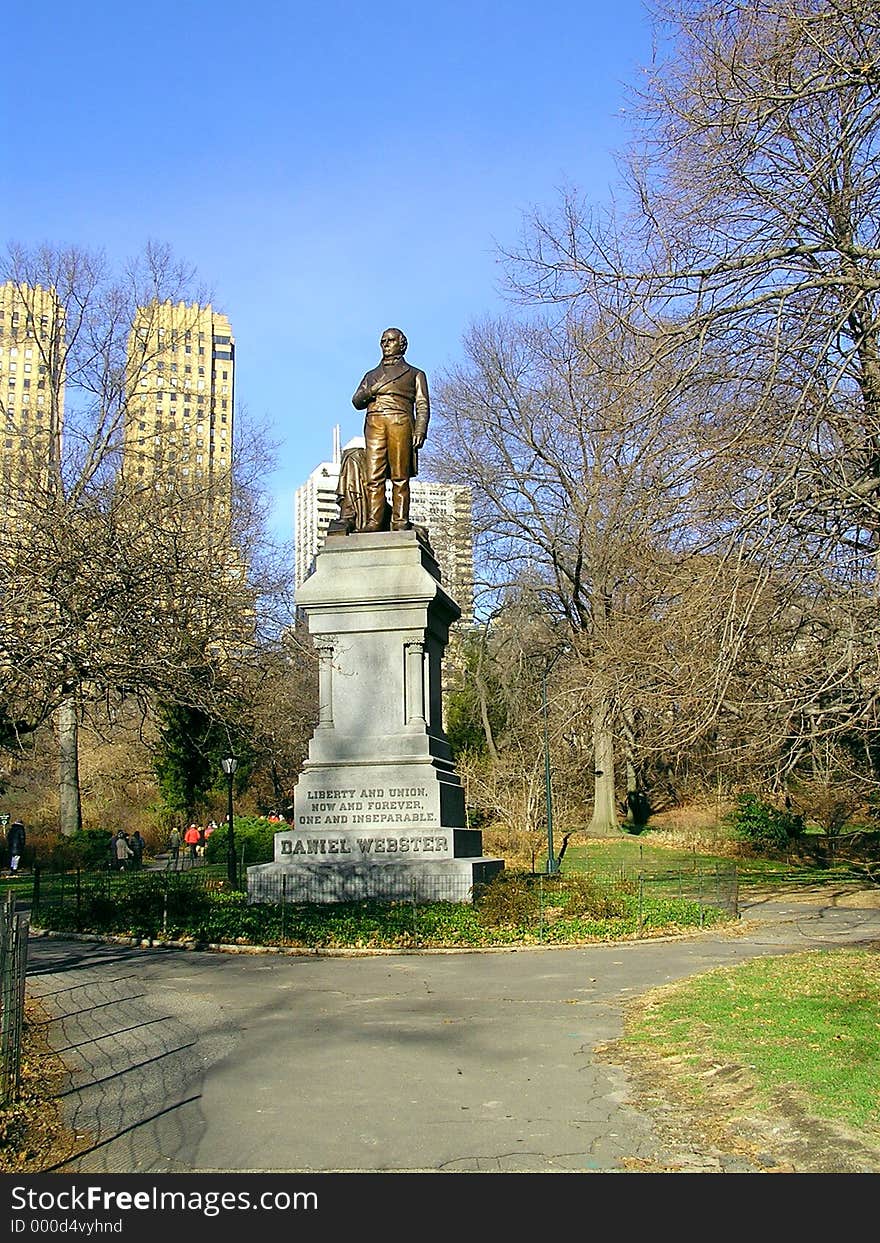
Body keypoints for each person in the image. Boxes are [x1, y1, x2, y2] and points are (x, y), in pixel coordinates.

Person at [351, 327, 429, 531]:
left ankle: (400, 520)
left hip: (400, 423)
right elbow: (356, 401)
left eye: (391, 340)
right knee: (373, 476)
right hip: (374, 423)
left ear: (401, 344)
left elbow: (422, 405)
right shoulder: (371, 375)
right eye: (383, 341)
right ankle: (374, 521)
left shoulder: (415, 373)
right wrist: (370, 391)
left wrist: (420, 430)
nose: (385, 344)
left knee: (399, 475)